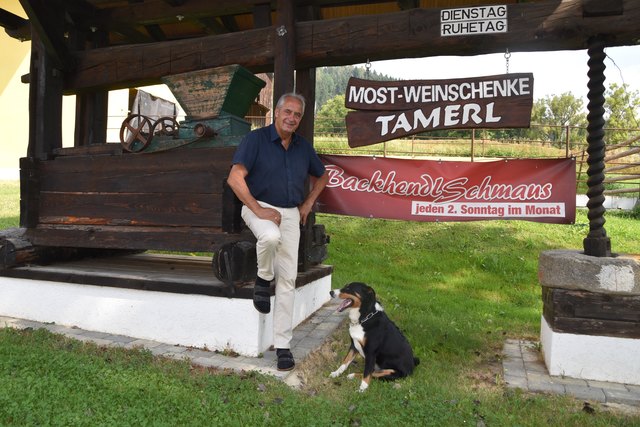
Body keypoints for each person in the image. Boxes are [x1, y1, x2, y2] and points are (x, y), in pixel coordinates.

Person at [227, 92, 329, 371]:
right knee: (270, 237)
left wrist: (308, 203)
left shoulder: (303, 148)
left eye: (297, 115)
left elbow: (322, 175)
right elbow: (234, 178)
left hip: (290, 213)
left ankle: (282, 345)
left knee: (289, 280)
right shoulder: (255, 140)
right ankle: (263, 278)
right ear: (277, 112)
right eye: (288, 112)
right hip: (257, 206)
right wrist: (258, 211)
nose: (292, 118)